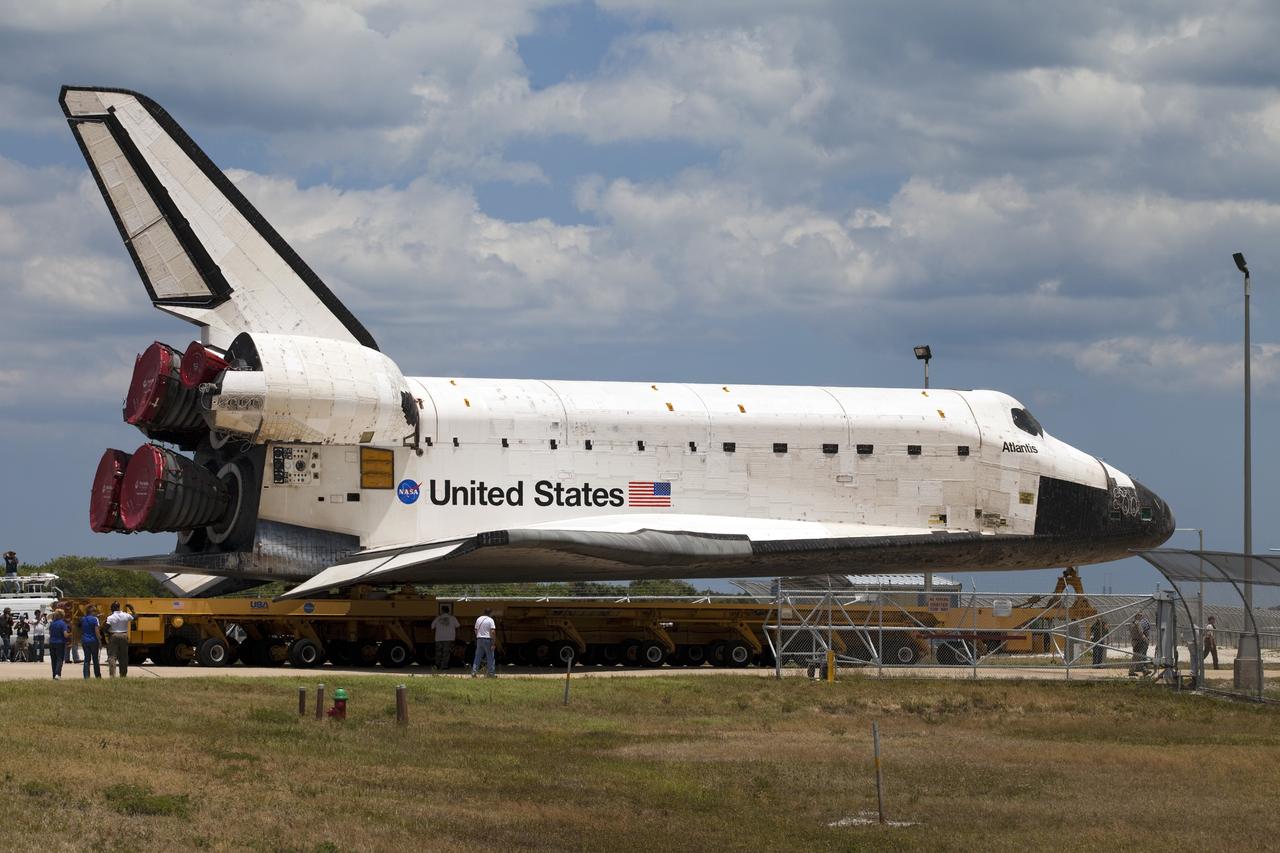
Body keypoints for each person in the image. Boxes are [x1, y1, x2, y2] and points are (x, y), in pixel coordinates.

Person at [104, 602, 134, 677]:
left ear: (112, 608)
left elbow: (105, 628)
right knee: (124, 656)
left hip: (113, 636)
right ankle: (123, 675)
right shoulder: (125, 615)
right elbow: (135, 617)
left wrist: (107, 634)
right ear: (119, 607)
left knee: (112, 656)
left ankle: (112, 675)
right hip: (124, 635)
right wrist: (132, 609)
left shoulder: (111, 617)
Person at [430, 604, 460, 671]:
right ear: (448, 611)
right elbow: (458, 626)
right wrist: (456, 635)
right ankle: (444, 666)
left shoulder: (438, 618)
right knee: (446, 653)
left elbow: (432, 626)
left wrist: (433, 635)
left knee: (438, 652)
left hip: (439, 638)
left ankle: (437, 665)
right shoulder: (453, 618)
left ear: (442, 611)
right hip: (449, 638)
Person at [471, 608, 497, 677]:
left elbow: (475, 630)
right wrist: (493, 643)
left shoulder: (478, 619)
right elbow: (493, 631)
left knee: (477, 657)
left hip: (479, 639)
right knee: (490, 657)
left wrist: (478, 636)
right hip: (487, 639)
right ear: (490, 613)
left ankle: (474, 672)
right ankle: (490, 673)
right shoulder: (490, 620)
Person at [81, 605, 103, 679]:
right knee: (95, 659)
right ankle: (97, 675)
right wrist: (100, 640)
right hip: (93, 640)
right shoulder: (95, 619)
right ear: (92, 612)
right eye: (95, 611)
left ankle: (86, 676)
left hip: (85, 640)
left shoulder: (83, 619)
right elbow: (97, 631)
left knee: (87, 659)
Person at [47, 609, 69, 680]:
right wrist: (70, 635)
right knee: (59, 659)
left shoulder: (52, 623)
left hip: (52, 643)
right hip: (60, 643)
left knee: (53, 660)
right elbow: (65, 634)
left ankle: (54, 675)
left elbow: (50, 633)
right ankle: (57, 674)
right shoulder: (63, 624)